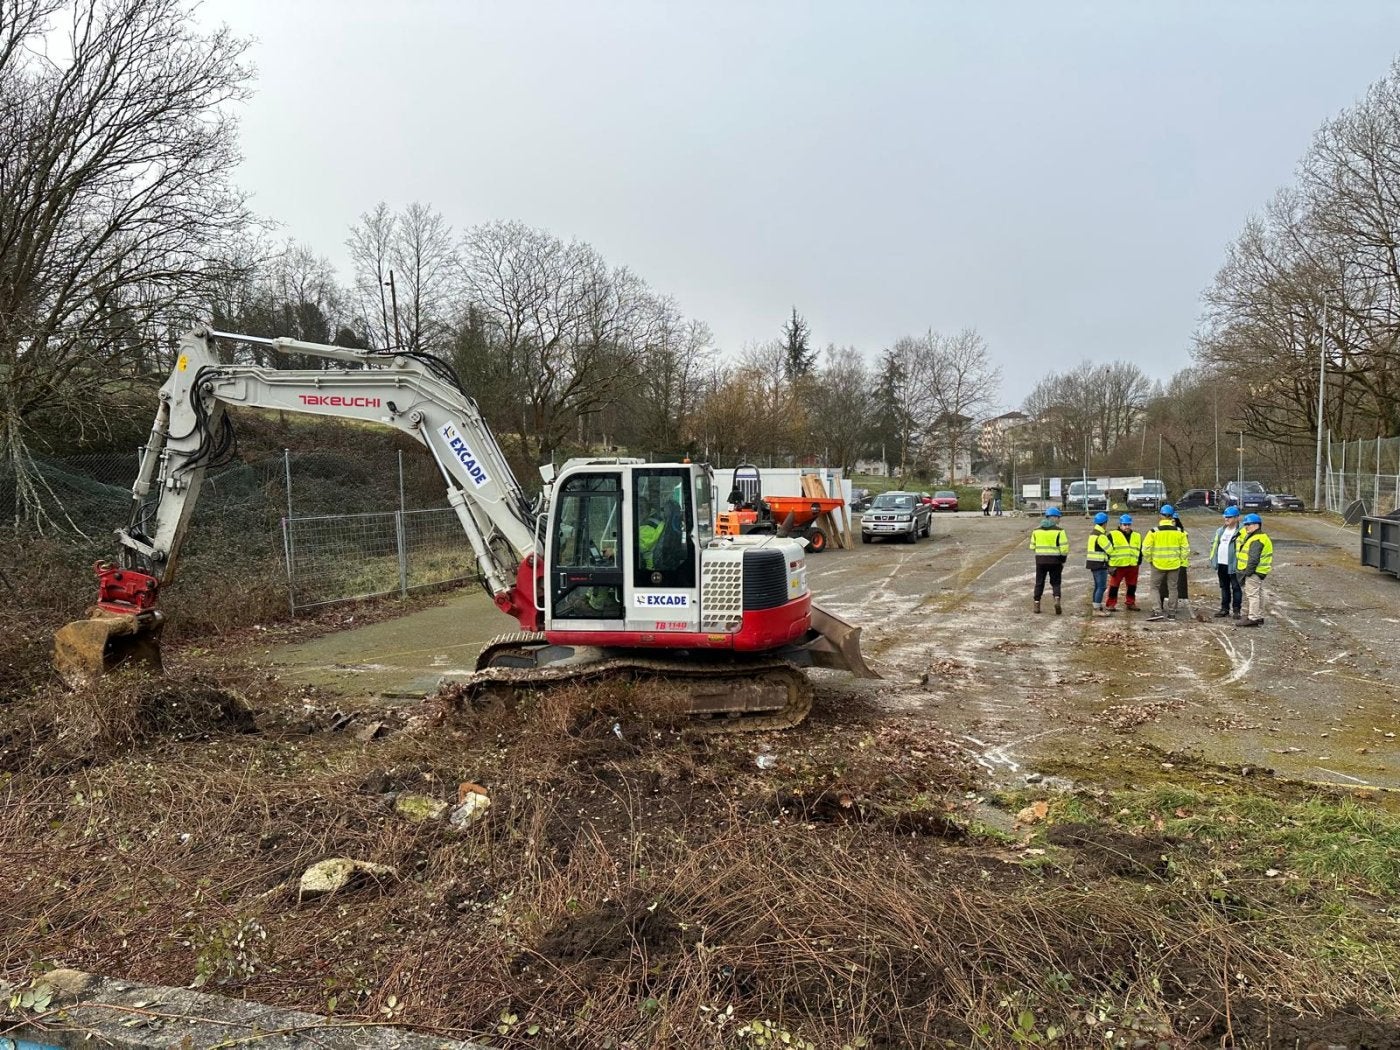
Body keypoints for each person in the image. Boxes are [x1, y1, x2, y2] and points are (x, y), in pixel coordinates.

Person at [1142, 504, 1190, 621]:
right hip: (1174, 564)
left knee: (1154, 587)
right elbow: (1186, 549)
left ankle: (1157, 610)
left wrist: (1150, 560)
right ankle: (1172, 613)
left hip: (1158, 564)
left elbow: (1145, 549)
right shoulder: (1180, 532)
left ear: (1161, 516)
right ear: (1172, 516)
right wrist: (1180, 559)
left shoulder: (1153, 532)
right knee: (1173, 588)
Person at [1029, 506, 1069, 614]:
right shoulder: (1060, 531)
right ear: (1054, 518)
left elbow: (1032, 547)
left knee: (1039, 582)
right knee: (1056, 582)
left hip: (1040, 561)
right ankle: (1056, 599)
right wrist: (1062, 559)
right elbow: (1064, 549)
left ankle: (1036, 604)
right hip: (1055, 561)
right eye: (1058, 517)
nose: (1059, 520)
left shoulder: (1036, 531)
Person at [1235, 513, 1272, 627]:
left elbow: (1253, 559)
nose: (1246, 527)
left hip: (1254, 572)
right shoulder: (1260, 537)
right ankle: (1258, 616)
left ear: (1257, 525)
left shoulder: (1256, 539)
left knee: (1252, 595)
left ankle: (1253, 618)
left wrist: (1248, 573)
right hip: (1259, 571)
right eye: (1245, 525)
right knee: (1258, 594)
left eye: (1248, 524)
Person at [1209, 506, 1243, 620]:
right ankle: (1224, 609)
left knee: (1236, 587)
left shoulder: (1241, 532)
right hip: (1221, 564)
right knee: (1224, 587)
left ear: (1237, 518)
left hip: (1234, 564)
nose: (1226, 519)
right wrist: (1214, 560)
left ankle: (1237, 610)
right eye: (1225, 517)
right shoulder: (1220, 531)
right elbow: (1214, 545)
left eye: (1229, 517)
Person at [1104, 514, 1142, 612]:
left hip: (1132, 565)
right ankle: (1110, 604)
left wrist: (1138, 561)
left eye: (1129, 524)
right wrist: (1108, 564)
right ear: (1120, 525)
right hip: (1118, 565)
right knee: (1114, 586)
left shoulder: (1137, 536)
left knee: (1132, 586)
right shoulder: (1112, 535)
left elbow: (1140, 550)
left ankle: (1130, 602)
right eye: (1125, 525)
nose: (1127, 527)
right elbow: (1107, 550)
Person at [1086, 511, 1112, 613]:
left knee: (1097, 586)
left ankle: (1096, 605)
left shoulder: (1093, 534)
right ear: (1105, 523)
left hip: (1092, 563)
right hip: (1100, 563)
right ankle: (1097, 609)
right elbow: (1110, 549)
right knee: (1101, 586)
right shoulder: (1101, 536)